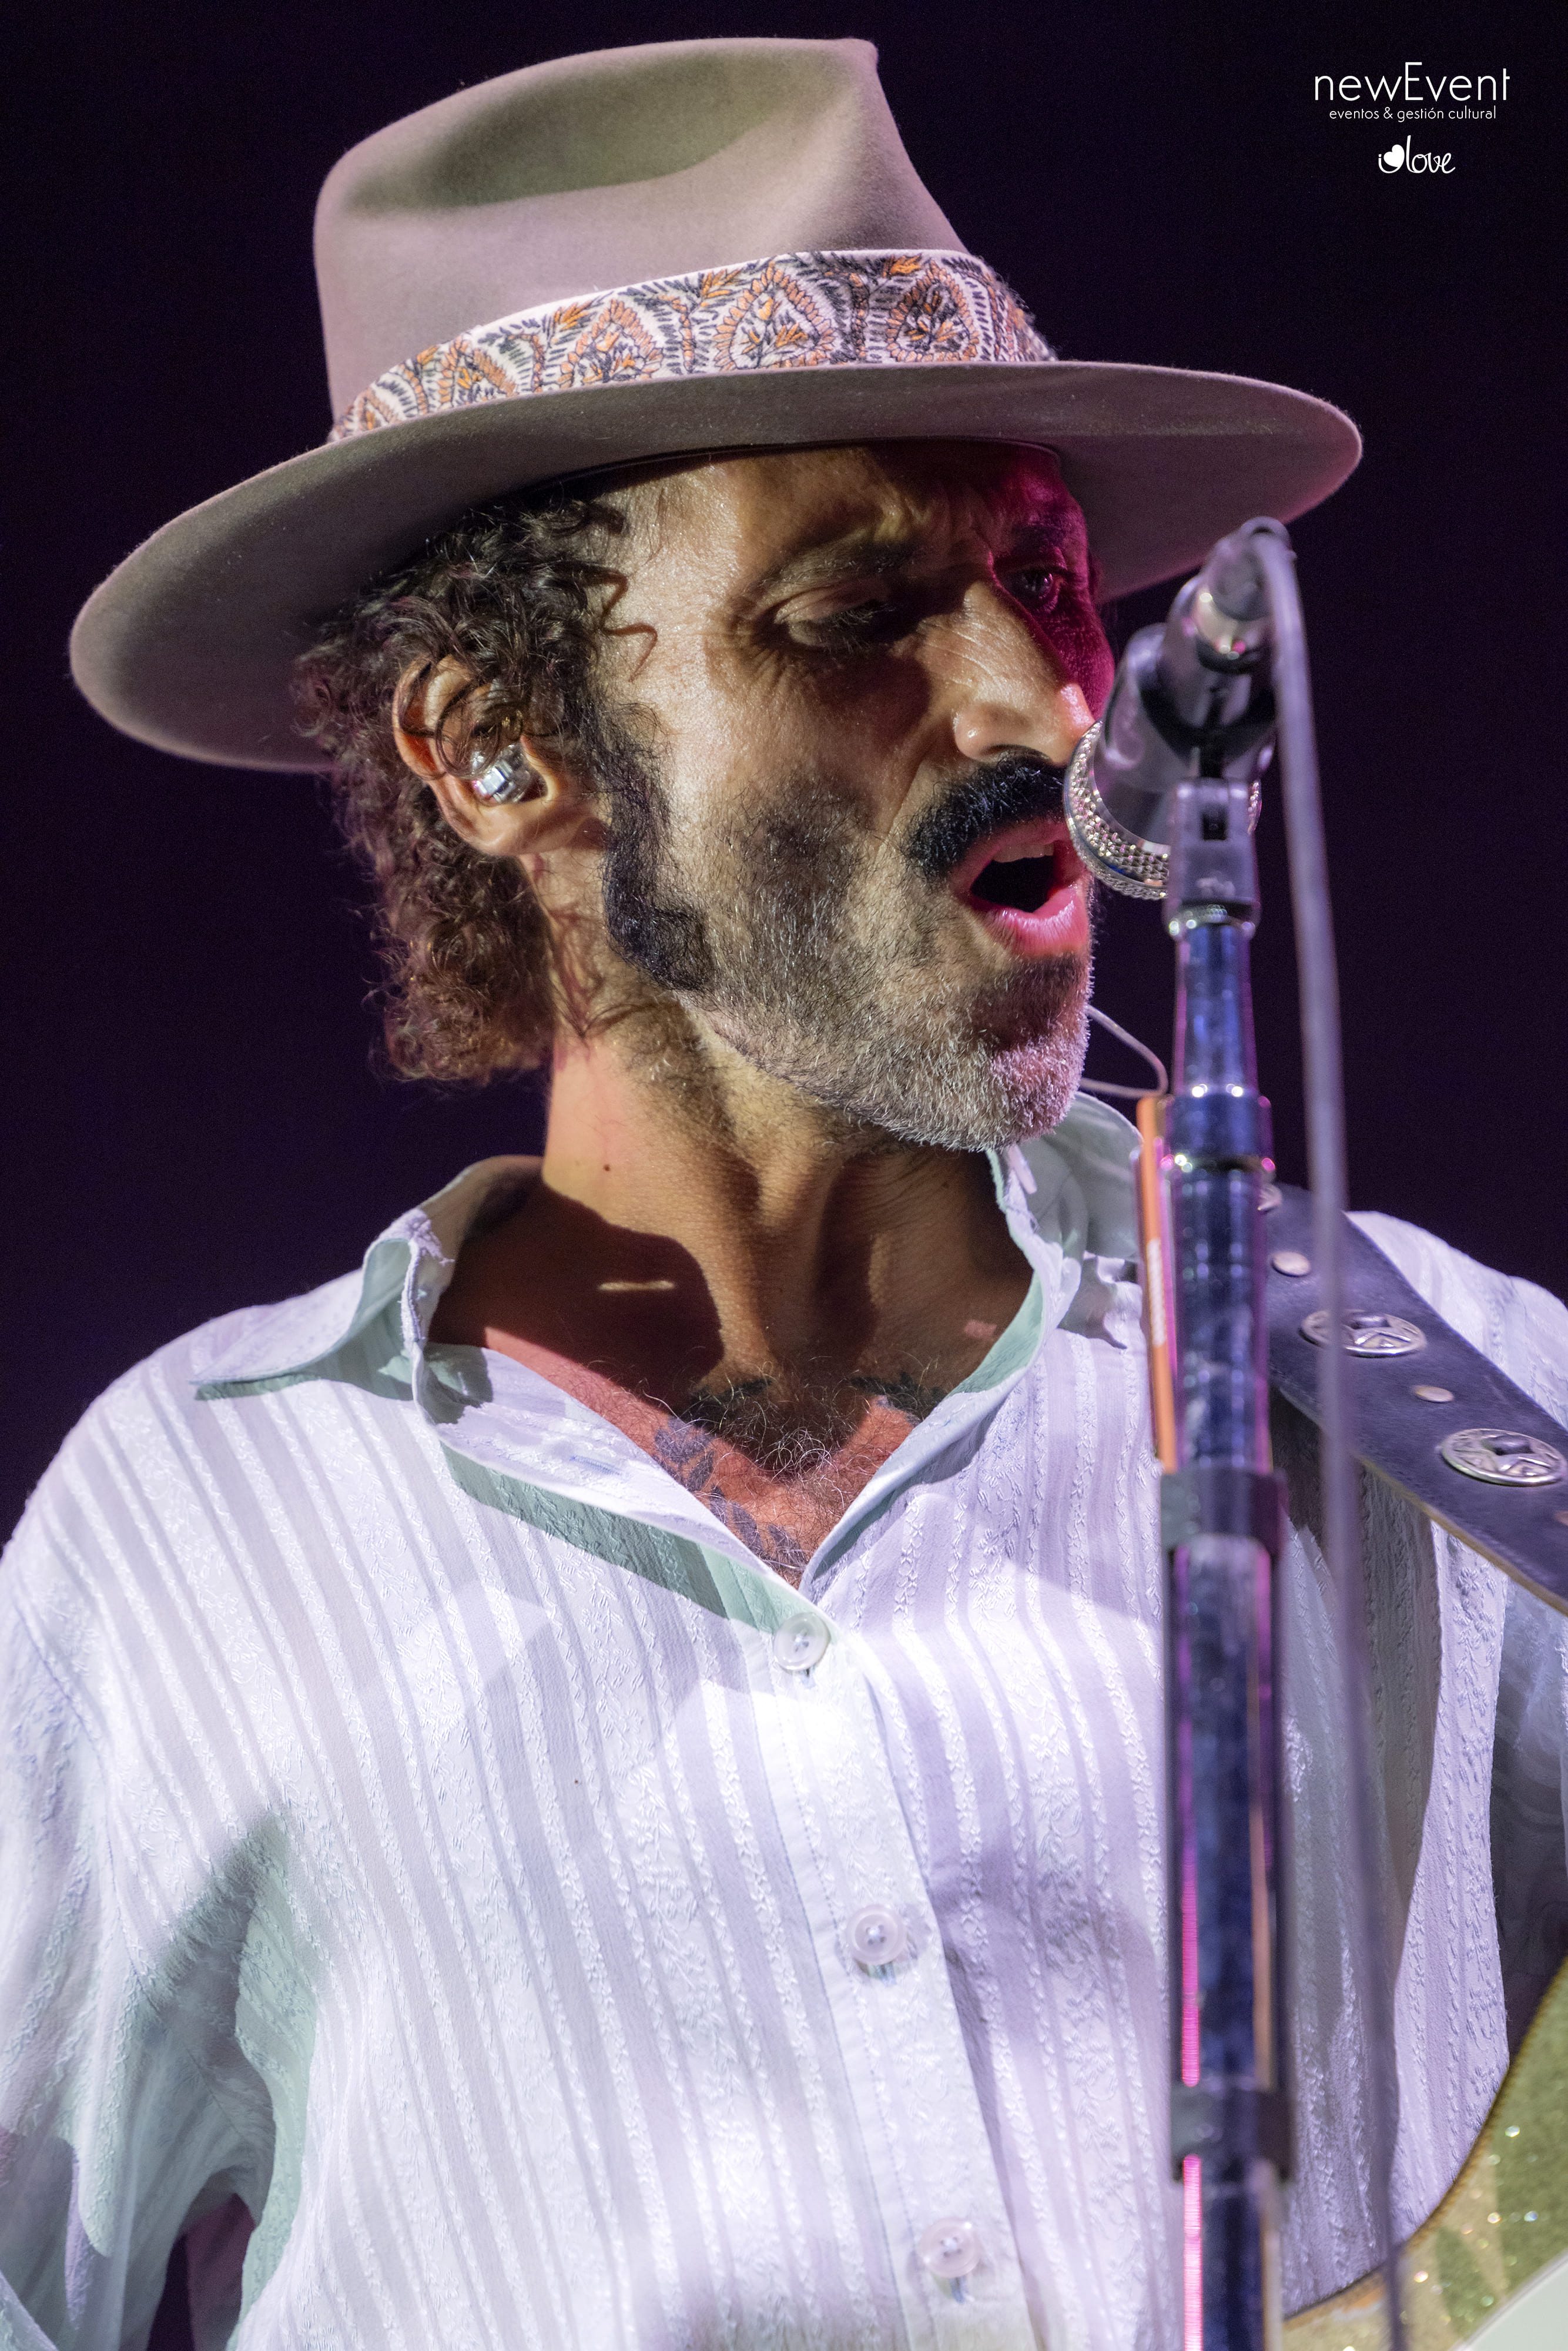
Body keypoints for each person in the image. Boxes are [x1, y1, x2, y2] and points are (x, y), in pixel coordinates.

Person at [6, 35, 1567, 2349]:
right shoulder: (189, 1534)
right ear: (495, 748)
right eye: (858, 617)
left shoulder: (1426, 1395)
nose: (1040, 706)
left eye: (1047, 585)